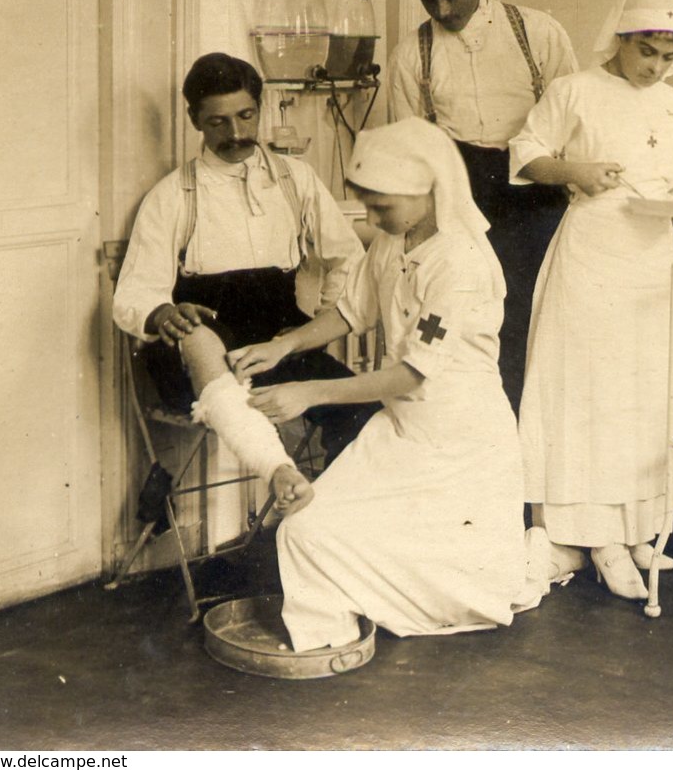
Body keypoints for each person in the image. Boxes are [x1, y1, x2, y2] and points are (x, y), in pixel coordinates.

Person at [230, 118, 568, 652]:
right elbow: (349, 311)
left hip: (462, 448)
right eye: (368, 205)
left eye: (381, 206)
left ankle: (502, 566)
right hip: (403, 433)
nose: (371, 218)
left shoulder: (460, 263)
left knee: (458, 583)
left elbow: (411, 373)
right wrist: (285, 345)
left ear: (428, 190)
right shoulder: (395, 239)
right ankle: (331, 636)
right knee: (304, 528)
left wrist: (309, 392)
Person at [509, 0, 673, 602]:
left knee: (643, 389)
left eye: (670, 56)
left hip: (651, 257)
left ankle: (639, 525)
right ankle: (595, 537)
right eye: (648, 51)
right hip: (592, 255)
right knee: (591, 390)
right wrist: (576, 172)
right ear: (620, 39)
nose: (658, 67)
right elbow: (526, 150)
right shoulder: (576, 91)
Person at [113, 52, 373, 468]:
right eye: (218, 122)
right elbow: (135, 292)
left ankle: (324, 521)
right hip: (202, 354)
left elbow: (349, 259)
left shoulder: (295, 178)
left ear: (260, 108)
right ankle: (290, 489)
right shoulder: (173, 195)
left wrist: (318, 329)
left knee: (364, 412)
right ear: (194, 119)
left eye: (246, 116)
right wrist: (163, 313)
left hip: (278, 345)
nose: (236, 134)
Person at [388, 0, 578, 411]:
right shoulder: (411, 54)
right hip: (462, 193)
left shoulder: (538, 32)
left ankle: (531, 446)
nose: (443, 10)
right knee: (466, 318)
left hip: (534, 193)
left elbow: (574, 121)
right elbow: (411, 149)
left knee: (533, 319)